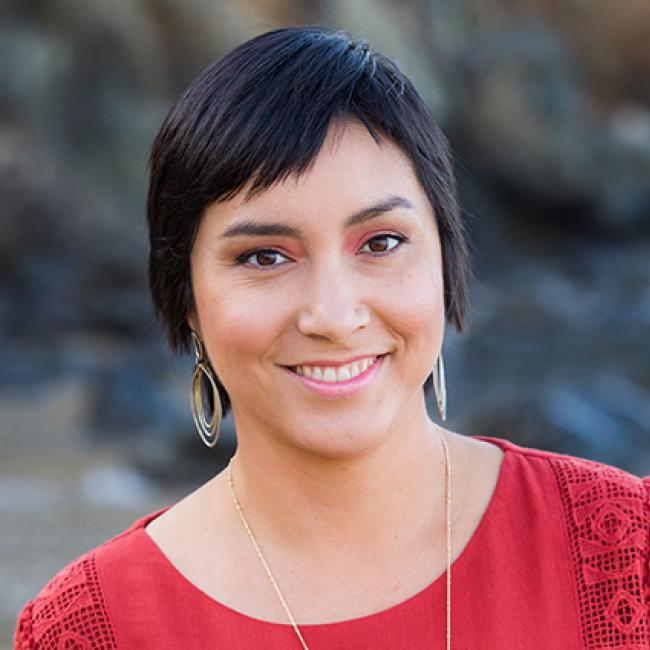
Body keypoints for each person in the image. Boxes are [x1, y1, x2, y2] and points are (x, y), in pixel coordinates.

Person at [14, 25, 650, 650]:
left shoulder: (623, 550)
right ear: (186, 300)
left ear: (447, 259)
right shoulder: (91, 627)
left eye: (380, 243)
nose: (334, 315)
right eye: (265, 257)